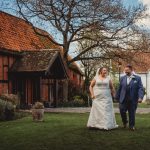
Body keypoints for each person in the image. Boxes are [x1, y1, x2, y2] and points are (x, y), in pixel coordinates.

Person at [116, 64, 144, 131]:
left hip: (133, 99)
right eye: (125, 70)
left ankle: (132, 126)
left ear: (131, 70)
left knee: (132, 113)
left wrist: (140, 97)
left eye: (127, 70)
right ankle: (125, 122)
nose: (125, 71)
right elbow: (119, 88)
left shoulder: (137, 78)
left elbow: (140, 88)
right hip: (123, 98)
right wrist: (117, 97)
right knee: (122, 111)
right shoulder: (122, 78)